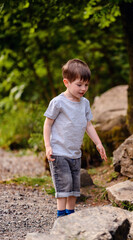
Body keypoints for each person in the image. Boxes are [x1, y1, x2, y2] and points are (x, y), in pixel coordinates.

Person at [43, 59, 107, 218]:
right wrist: (48, 146)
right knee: (63, 187)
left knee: (74, 188)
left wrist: (98, 143)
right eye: (79, 85)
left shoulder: (84, 103)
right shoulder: (58, 102)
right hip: (59, 153)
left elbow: (88, 125)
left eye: (86, 85)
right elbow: (47, 124)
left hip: (75, 154)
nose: (83, 89)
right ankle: (61, 216)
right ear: (66, 82)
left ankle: (71, 216)